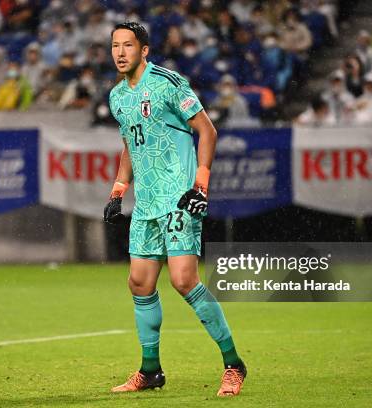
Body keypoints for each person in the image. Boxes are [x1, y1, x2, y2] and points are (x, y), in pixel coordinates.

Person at [105, 22, 247, 397]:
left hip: (180, 197)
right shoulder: (117, 97)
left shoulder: (168, 82)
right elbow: (130, 144)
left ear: (145, 50)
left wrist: (201, 183)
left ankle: (233, 364)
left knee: (184, 280)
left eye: (128, 45)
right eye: (115, 46)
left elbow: (207, 130)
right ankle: (150, 371)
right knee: (139, 282)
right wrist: (119, 189)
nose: (120, 52)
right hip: (147, 203)